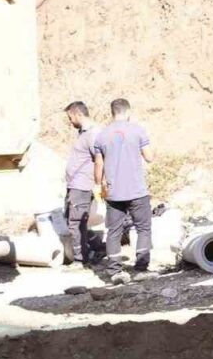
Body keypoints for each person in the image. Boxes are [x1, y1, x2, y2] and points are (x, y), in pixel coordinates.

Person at [93, 98, 154, 272]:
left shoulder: (102, 135)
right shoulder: (138, 131)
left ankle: (114, 270)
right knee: (143, 228)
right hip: (137, 190)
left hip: (113, 192)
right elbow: (149, 157)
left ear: (112, 112)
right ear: (128, 112)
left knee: (114, 231)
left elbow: (98, 165)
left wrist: (98, 185)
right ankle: (141, 268)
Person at [62, 101, 98, 267]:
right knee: (76, 221)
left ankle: (80, 260)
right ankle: (84, 254)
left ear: (78, 114)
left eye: (70, 117)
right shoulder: (83, 133)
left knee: (75, 222)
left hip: (82, 185)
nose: (70, 121)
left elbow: (100, 159)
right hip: (76, 184)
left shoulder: (92, 133)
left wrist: (99, 182)